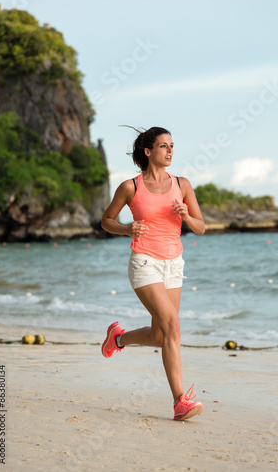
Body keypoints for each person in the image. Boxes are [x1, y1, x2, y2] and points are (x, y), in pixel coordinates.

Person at [101, 126, 205, 421]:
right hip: (144, 263)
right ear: (148, 152)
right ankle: (179, 401)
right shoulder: (130, 187)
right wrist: (125, 228)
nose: (170, 151)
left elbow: (201, 227)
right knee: (173, 326)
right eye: (163, 146)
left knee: (161, 336)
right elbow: (106, 221)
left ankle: (118, 338)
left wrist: (186, 215)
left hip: (174, 265)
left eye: (172, 146)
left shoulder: (182, 184)